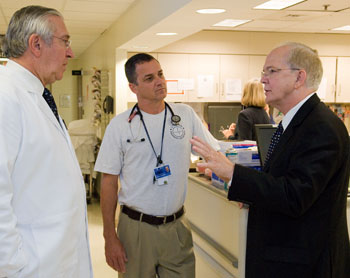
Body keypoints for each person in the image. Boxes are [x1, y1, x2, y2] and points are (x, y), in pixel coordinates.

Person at [190, 42, 350, 278]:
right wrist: (249, 193)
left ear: (299, 78)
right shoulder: (293, 123)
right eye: (263, 72)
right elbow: (278, 182)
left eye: (271, 71)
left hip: (304, 265)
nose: (263, 79)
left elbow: (295, 195)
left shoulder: (320, 127)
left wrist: (233, 173)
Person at [94, 53, 219, 277]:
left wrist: (237, 184)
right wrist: (109, 236)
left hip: (177, 227)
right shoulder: (120, 125)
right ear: (133, 87)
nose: (160, 81)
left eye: (160, 74)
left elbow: (213, 154)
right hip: (136, 229)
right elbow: (109, 182)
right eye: (150, 78)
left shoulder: (184, 115)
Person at [0, 6, 93, 278]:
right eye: (65, 41)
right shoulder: (6, 97)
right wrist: (12, 267)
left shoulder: (36, 97)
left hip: (55, 262)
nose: (70, 52)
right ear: (36, 44)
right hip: (31, 269)